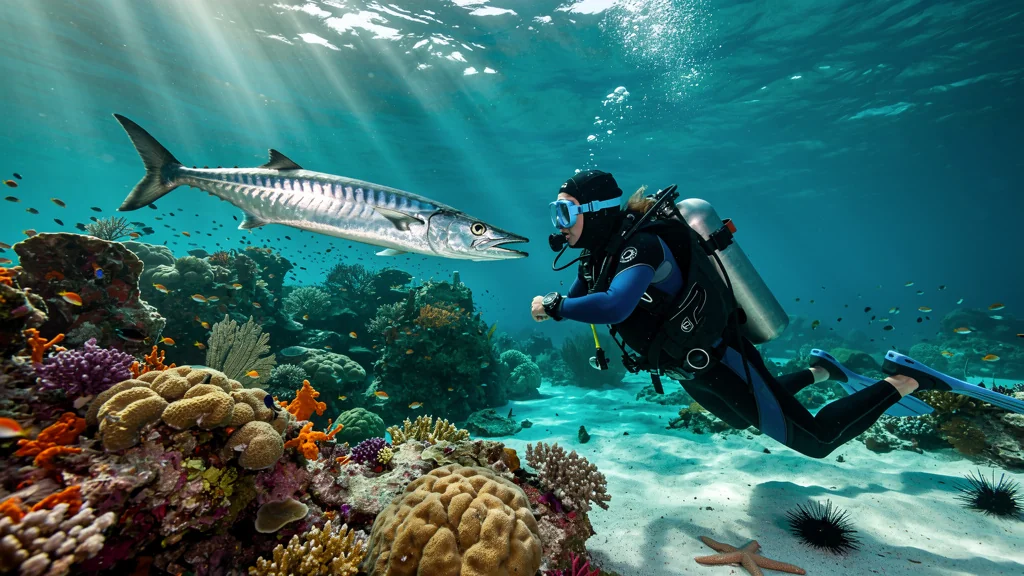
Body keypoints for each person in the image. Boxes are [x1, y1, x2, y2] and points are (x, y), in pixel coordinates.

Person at [530, 170, 1024, 458]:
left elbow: (614, 304)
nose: (560, 224)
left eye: (566, 212)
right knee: (752, 416)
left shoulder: (642, 244)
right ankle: (821, 370)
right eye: (557, 212)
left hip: (718, 357)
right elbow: (587, 298)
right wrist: (562, 304)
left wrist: (555, 307)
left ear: (595, 211)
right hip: (686, 368)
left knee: (814, 440)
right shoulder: (599, 256)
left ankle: (906, 380)